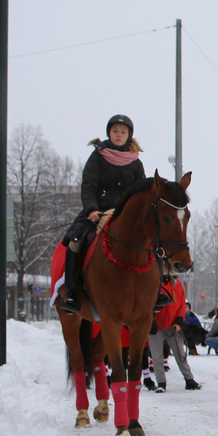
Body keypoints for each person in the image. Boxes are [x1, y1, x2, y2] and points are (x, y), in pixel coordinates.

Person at [58, 114, 148, 314]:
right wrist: (91, 209)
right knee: (74, 241)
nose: (118, 135)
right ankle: (71, 292)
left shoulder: (136, 162)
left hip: (125, 215)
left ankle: (156, 291)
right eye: (115, 131)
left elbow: (139, 193)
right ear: (109, 132)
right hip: (97, 212)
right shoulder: (98, 155)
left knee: (151, 241)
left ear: (129, 135)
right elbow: (88, 185)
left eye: (123, 132)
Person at [146, 276, 202, 391]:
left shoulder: (178, 285)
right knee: (156, 356)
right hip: (155, 325)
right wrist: (151, 320)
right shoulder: (151, 283)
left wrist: (179, 321)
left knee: (180, 353)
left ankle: (189, 379)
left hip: (173, 325)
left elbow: (182, 304)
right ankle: (161, 383)